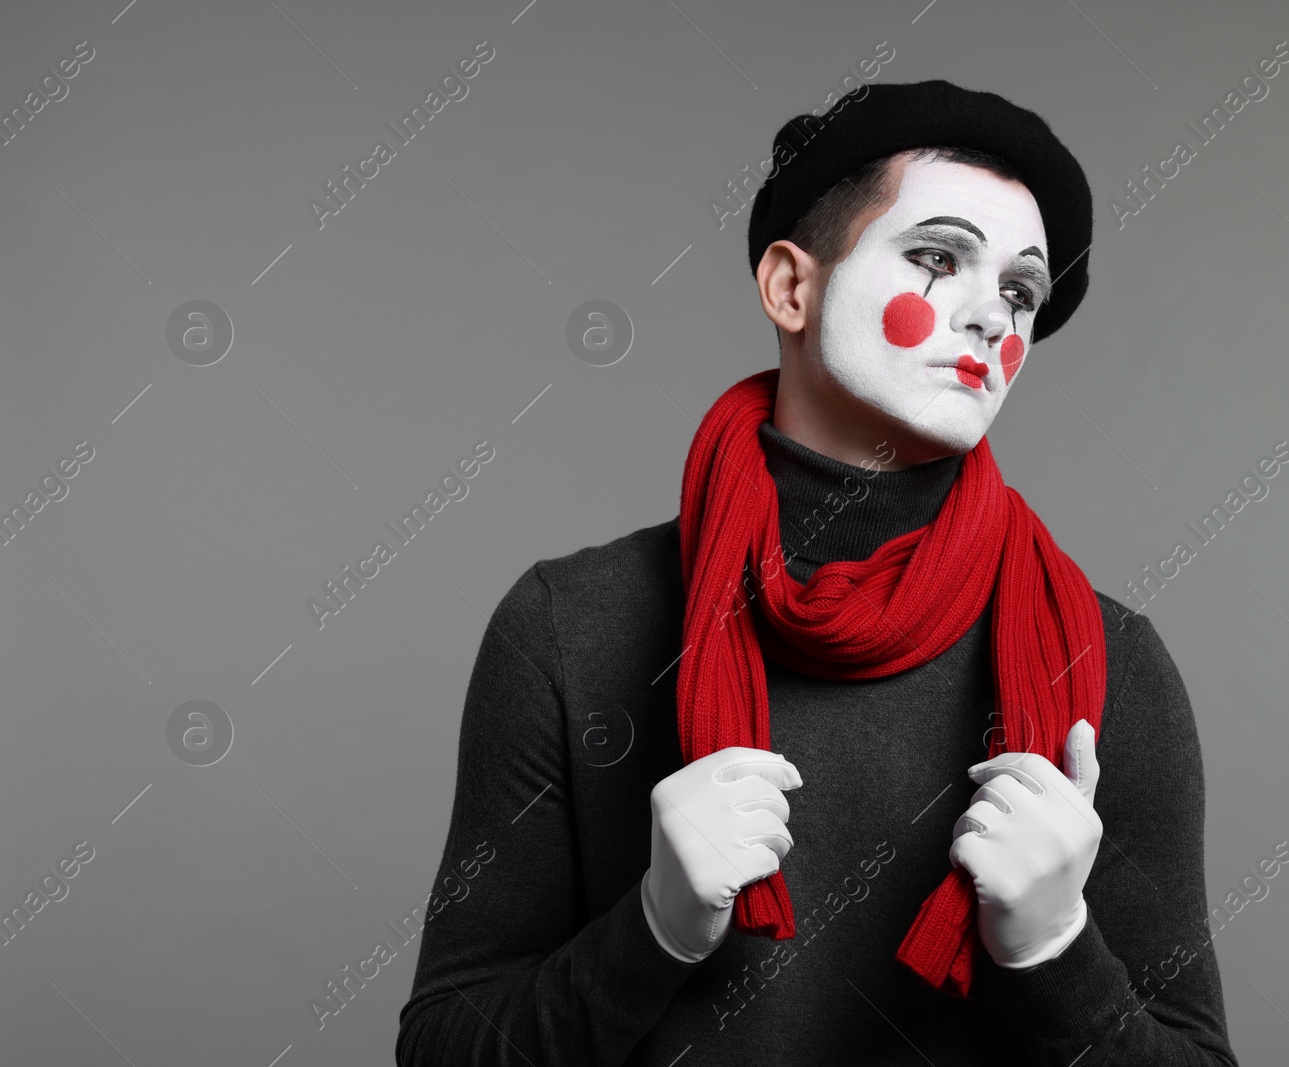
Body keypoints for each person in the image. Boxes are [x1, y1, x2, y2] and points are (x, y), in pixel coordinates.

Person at [396, 80, 1238, 1066]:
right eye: (937, 258)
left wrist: (1056, 947)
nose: (987, 318)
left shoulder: (1106, 662)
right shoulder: (571, 625)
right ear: (790, 287)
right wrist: (655, 926)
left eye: (1020, 290)